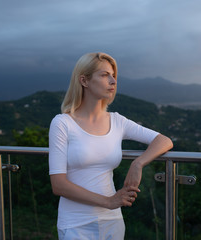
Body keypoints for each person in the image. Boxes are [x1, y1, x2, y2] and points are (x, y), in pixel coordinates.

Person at [49, 52, 173, 240]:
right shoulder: (62, 123)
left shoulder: (117, 121)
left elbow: (164, 141)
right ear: (84, 80)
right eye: (105, 75)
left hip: (112, 221)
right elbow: (58, 185)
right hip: (75, 223)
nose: (113, 81)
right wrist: (109, 201)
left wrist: (138, 164)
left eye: (114, 75)